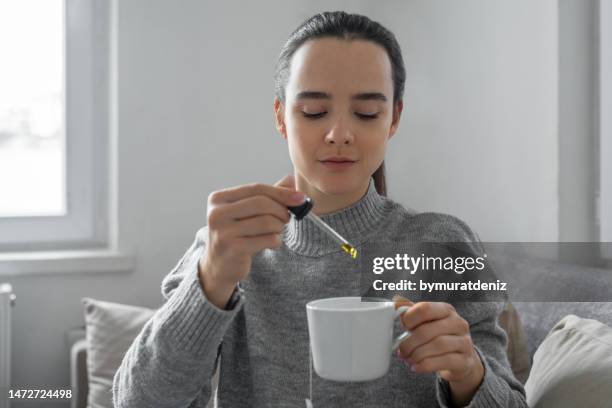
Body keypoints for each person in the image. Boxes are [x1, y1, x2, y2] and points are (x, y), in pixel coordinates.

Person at [112, 11, 527, 407]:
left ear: (394, 118)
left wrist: (469, 374)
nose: (339, 134)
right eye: (314, 111)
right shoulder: (228, 248)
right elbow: (137, 401)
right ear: (281, 117)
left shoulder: (442, 244)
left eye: (366, 112)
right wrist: (210, 281)